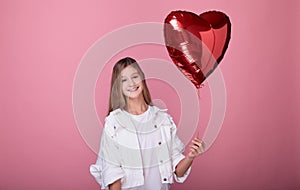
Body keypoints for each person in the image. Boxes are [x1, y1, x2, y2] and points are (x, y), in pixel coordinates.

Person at [90, 57, 204, 190]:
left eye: (134, 76)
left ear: (142, 78)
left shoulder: (163, 119)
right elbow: (112, 172)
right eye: (124, 80)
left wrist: (191, 156)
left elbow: (178, 171)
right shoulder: (114, 122)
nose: (131, 83)